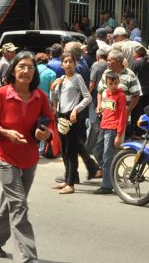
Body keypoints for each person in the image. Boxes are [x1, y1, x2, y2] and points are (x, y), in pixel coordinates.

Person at [0, 51, 53, 261]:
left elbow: (48, 124)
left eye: (30, 67)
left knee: (12, 204)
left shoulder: (40, 97)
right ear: (13, 70)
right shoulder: (0, 95)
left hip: (30, 157)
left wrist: (45, 134)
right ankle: (28, 257)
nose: (26, 71)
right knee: (20, 204)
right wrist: (5, 133)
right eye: (22, 66)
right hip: (5, 157)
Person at [50, 52, 93, 194]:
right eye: (65, 62)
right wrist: (53, 88)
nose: (68, 64)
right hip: (61, 116)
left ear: (75, 63)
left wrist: (76, 109)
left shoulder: (77, 77)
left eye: (70, 61)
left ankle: (71, 183)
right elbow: (54, 98)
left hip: (72, 117)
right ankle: (67, 178)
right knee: (64, 150)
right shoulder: (61, 78)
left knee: (71, 150)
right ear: (62, 64)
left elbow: (87, 97)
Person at [95, 72, 127, 194]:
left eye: (115, 83)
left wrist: (119, 134)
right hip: (104, 126)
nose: (113, 86)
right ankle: (111, 174)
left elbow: (123, 116)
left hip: (113, 129)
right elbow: (108, 109)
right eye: (110, 84)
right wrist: (100, 110)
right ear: (106, 84)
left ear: (118, 82)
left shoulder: (121, 96)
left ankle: (107, 186)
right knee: (97, 152)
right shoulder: (107, 93)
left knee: (107, 157)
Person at [128, 46, 149, 136]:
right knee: (147, 110)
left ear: (137, 54)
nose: (133, 54)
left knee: (137, 111)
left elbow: (131, 76)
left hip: (139, 90)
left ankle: (138, 131)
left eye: (134, 53)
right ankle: (148, 130)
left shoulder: (136, 63)